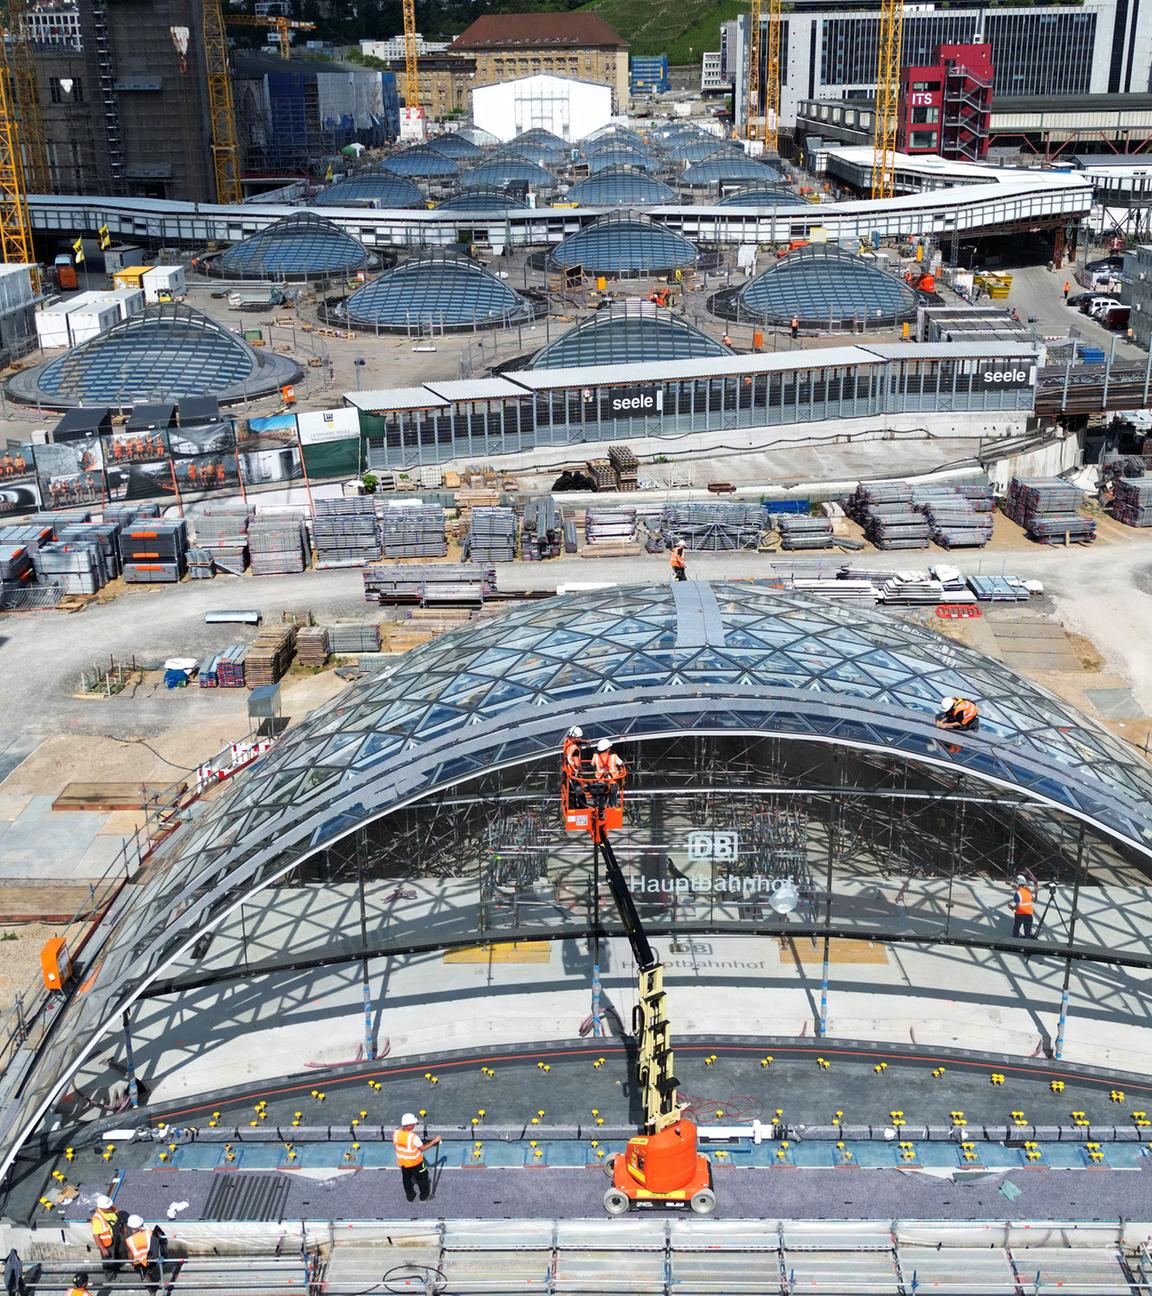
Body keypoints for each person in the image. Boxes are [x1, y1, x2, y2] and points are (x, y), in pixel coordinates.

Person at [393, 1114, 440, 1203]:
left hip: (402, 1162)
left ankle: (410, 1196)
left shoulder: (396, 1133)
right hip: (416, 1163)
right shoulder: (413, 1137)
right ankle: (424, 1196)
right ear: (409, 1125)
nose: (415, 1125)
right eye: (414, 1124)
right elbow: (422, 1148)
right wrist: (434, 1140)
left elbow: (396, 1147)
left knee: (406, 1179)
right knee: (423, 1179)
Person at [90, 1194, 120, 1276]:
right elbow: (96, 1236)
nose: (110, 1207)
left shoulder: (111, 1209)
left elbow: (116, 1215)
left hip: (114, 1237)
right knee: (108, 1260)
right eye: (108, 1207)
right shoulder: (97, 1219)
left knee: (115, 1255)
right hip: (106, 1244)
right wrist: (103, 1249)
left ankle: (116, 1267)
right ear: (101, 1208)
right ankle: (109, 1275)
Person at [1011, 874, 1034, 938]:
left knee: (1016, 929)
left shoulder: (1017, 893)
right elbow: (1033, 899)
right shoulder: (1028, 890)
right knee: (1027, 932)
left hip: (1020, 915)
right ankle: (1026, 945)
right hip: (1029, 914)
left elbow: (1017, 907)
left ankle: (1014, 943)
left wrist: (1012, 907)